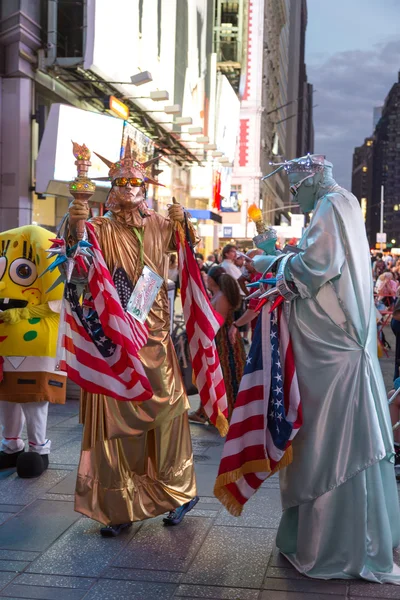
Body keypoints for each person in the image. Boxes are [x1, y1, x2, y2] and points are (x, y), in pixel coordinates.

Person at [251, 154, 400, 583]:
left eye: (296, 190)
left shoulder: (334, 205)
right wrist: (279, 255)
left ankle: (339, 545)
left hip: (335, 354)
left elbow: (316, 269)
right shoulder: (337, 205)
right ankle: (328, 537)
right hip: (332, 349)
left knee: (331, 443)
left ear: (312, 180)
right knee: (325, 440)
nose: (294, 200)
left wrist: (271, 265)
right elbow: (318, 264)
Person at [67, 138, 198, 536]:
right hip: (115, 336)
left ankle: (179, 491)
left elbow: (186, 250)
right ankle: (119, 503)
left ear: (145, 188)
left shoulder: (160, 224)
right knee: (113, 417)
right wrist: (75, 219)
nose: (127, 189)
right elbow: (76, 249)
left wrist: (184, 220)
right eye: (121, 182)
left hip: (154, 332)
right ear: (112, 187)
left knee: (170, 414)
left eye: (134, 183)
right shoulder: (100, 226)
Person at [0, 225, 66, 478]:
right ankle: (11, 445)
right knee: (6, 397)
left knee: (33, 397)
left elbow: (58, 302)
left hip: (35, 344)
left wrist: (24, 312)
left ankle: (39, 449)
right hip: (6, 346)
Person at [189, 266, 246, 423]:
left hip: (224, 342)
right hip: (221, 339)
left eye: (208, 277)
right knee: (215, 376)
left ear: (213, 279)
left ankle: (221, 413)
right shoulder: (218, 295)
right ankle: (207, 412)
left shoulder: (221, 296)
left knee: (225, 376)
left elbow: (219, 320)